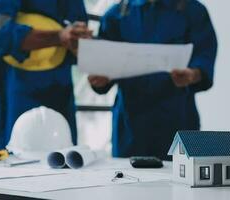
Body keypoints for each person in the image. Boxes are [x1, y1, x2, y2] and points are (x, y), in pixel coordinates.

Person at [88, 0, 218, 160]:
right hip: (130, 126)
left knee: (181, 180)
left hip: (178, 119)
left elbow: (204, 55)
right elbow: (103, 67)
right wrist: (100, 79)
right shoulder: (115, 15)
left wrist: (193, 74)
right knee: (127, 181)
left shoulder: (193, 10)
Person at [0, 0, 91, 153]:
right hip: (12, 92)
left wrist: (80, 41)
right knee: (9, 164)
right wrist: (58, 37)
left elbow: (79, 37)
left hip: (60, 94)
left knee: (63, 162)